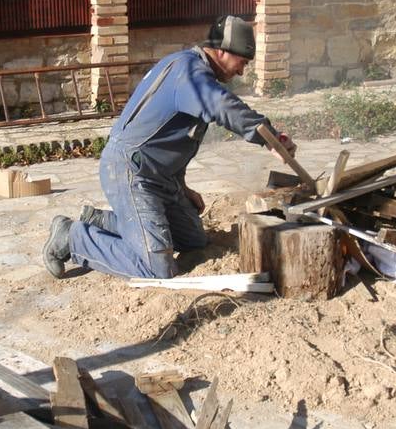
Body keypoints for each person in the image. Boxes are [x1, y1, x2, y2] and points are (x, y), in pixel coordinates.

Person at [43, 15, 295, 280]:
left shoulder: (192, 71)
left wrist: (182, 187)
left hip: (160, 176)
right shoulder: (189, 72)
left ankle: (100, 221)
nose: (241, 71)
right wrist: (268, 137)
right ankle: (72, 237)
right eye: (242, 62)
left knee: (193, 239)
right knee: (158, 267)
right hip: (132, 171)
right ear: (223, 51)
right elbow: (223, 107)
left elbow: (169, 138)